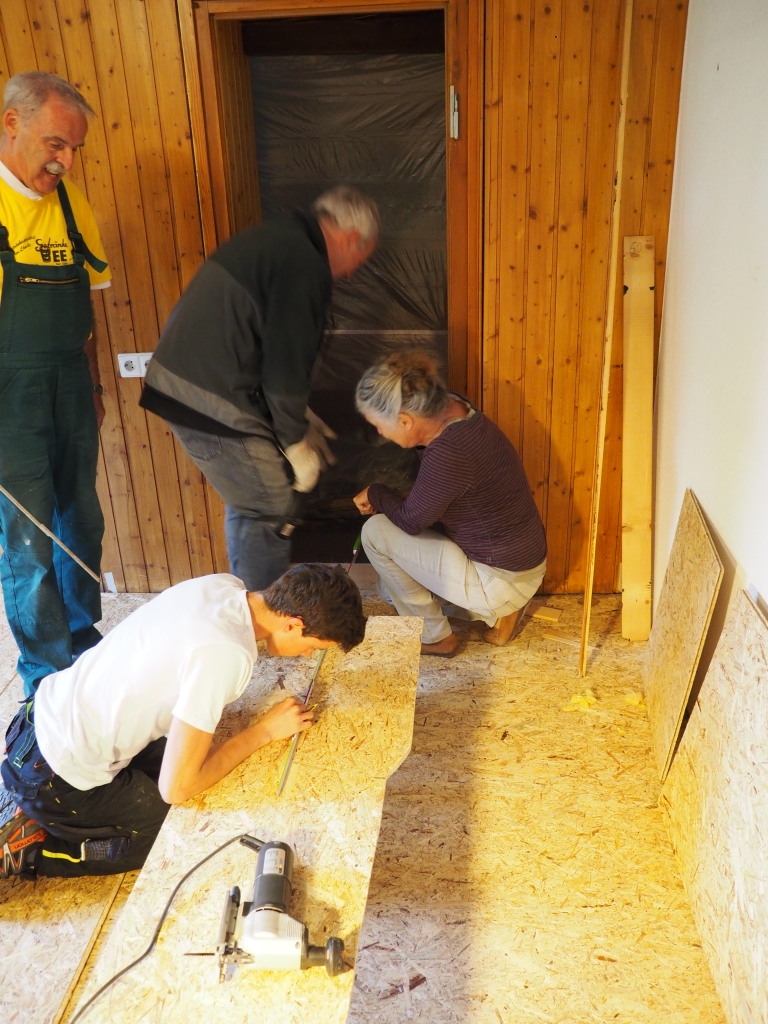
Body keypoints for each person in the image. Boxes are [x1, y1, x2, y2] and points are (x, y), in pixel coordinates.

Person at [0, 562, 366, 880]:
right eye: (313, 646)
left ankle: (36, 810)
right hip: (54, 778)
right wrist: (265, 731)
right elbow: (176, 788)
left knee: (188, 764)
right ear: (293, 624)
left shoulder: (222, 586)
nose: (307, 655)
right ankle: (34, 849)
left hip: (36, 719)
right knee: (174, 833)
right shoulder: (228, 653)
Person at [140, 185, 380, 591]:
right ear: (350, 238)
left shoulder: (281, 240)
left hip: (191, 385)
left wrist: (298, 418)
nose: (352, 272)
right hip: (206, 394)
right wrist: (295, 441)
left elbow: (266, 350)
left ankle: (247, 602)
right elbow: (286, 364)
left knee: (253, 500)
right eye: (361, 258)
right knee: (271, 502)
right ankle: (264, 610)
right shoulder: (303, 262)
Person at [0, 72, 111, 696]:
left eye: (74, 149)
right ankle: (45, 673)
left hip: (69, 378)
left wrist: (92, 387)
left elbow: (88, 305)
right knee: (29, 537)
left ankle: (82, 634)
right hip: (7, 394)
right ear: (11, 123)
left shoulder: (71, 205)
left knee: (82, 517)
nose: (65, 161)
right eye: (55, 144)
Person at [353, 350, 547, 658]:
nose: (380, 433)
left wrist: (376, 493)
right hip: (522, 563)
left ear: (404, 421)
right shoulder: (457, 408)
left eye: (378, 425)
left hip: (501, 579)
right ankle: (503, 609)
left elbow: (412, 521)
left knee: (375, 533)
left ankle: (438, 637)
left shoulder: (449, 452)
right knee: (389, 590)